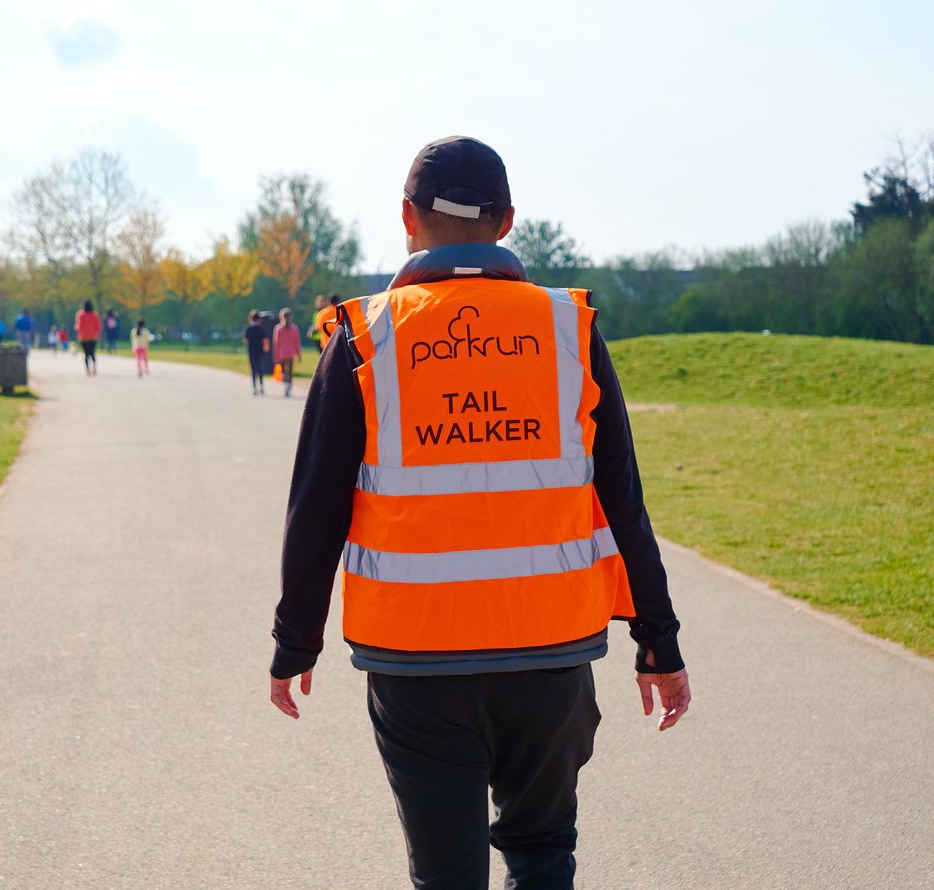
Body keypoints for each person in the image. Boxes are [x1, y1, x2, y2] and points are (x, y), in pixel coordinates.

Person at [268, 136, 691, 889]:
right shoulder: (571, 330)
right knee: (542, 854)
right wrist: (658, 640)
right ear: (506, 222)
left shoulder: (365, 336)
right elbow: (623, 497)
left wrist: (295, 641)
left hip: (416, 658)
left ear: (407, 216)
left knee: (447, 878)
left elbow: (316, 508)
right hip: (551, 653)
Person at [270, 307, 302, 397]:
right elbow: (297, 343)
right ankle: (289, 386)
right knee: (290, 371)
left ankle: (286, 385)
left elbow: (276, 344)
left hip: (282, 354)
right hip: (291, 353)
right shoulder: (294, 328)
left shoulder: (278, 328)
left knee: (284, 371)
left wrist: (275, 356)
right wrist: (299, 355)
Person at [242, 309, 270, 395]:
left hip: (251, 352)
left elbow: (245, 340)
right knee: (261, 369)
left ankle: (254, 388)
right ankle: (261, 387)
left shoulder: (248, 329)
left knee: (253, 370)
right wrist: (266, 348)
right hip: (260, 352)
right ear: (260, 319)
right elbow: (265, 341)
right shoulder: (261, 329)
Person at [74, 300, 102, 376]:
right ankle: (94, 368)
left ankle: (87, 370)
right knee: (92, 353)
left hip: (84, 337)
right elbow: (99, 327)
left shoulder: (80, 315)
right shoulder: (95, 315)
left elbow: (78, 326)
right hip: (93, 337)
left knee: (86, 354)